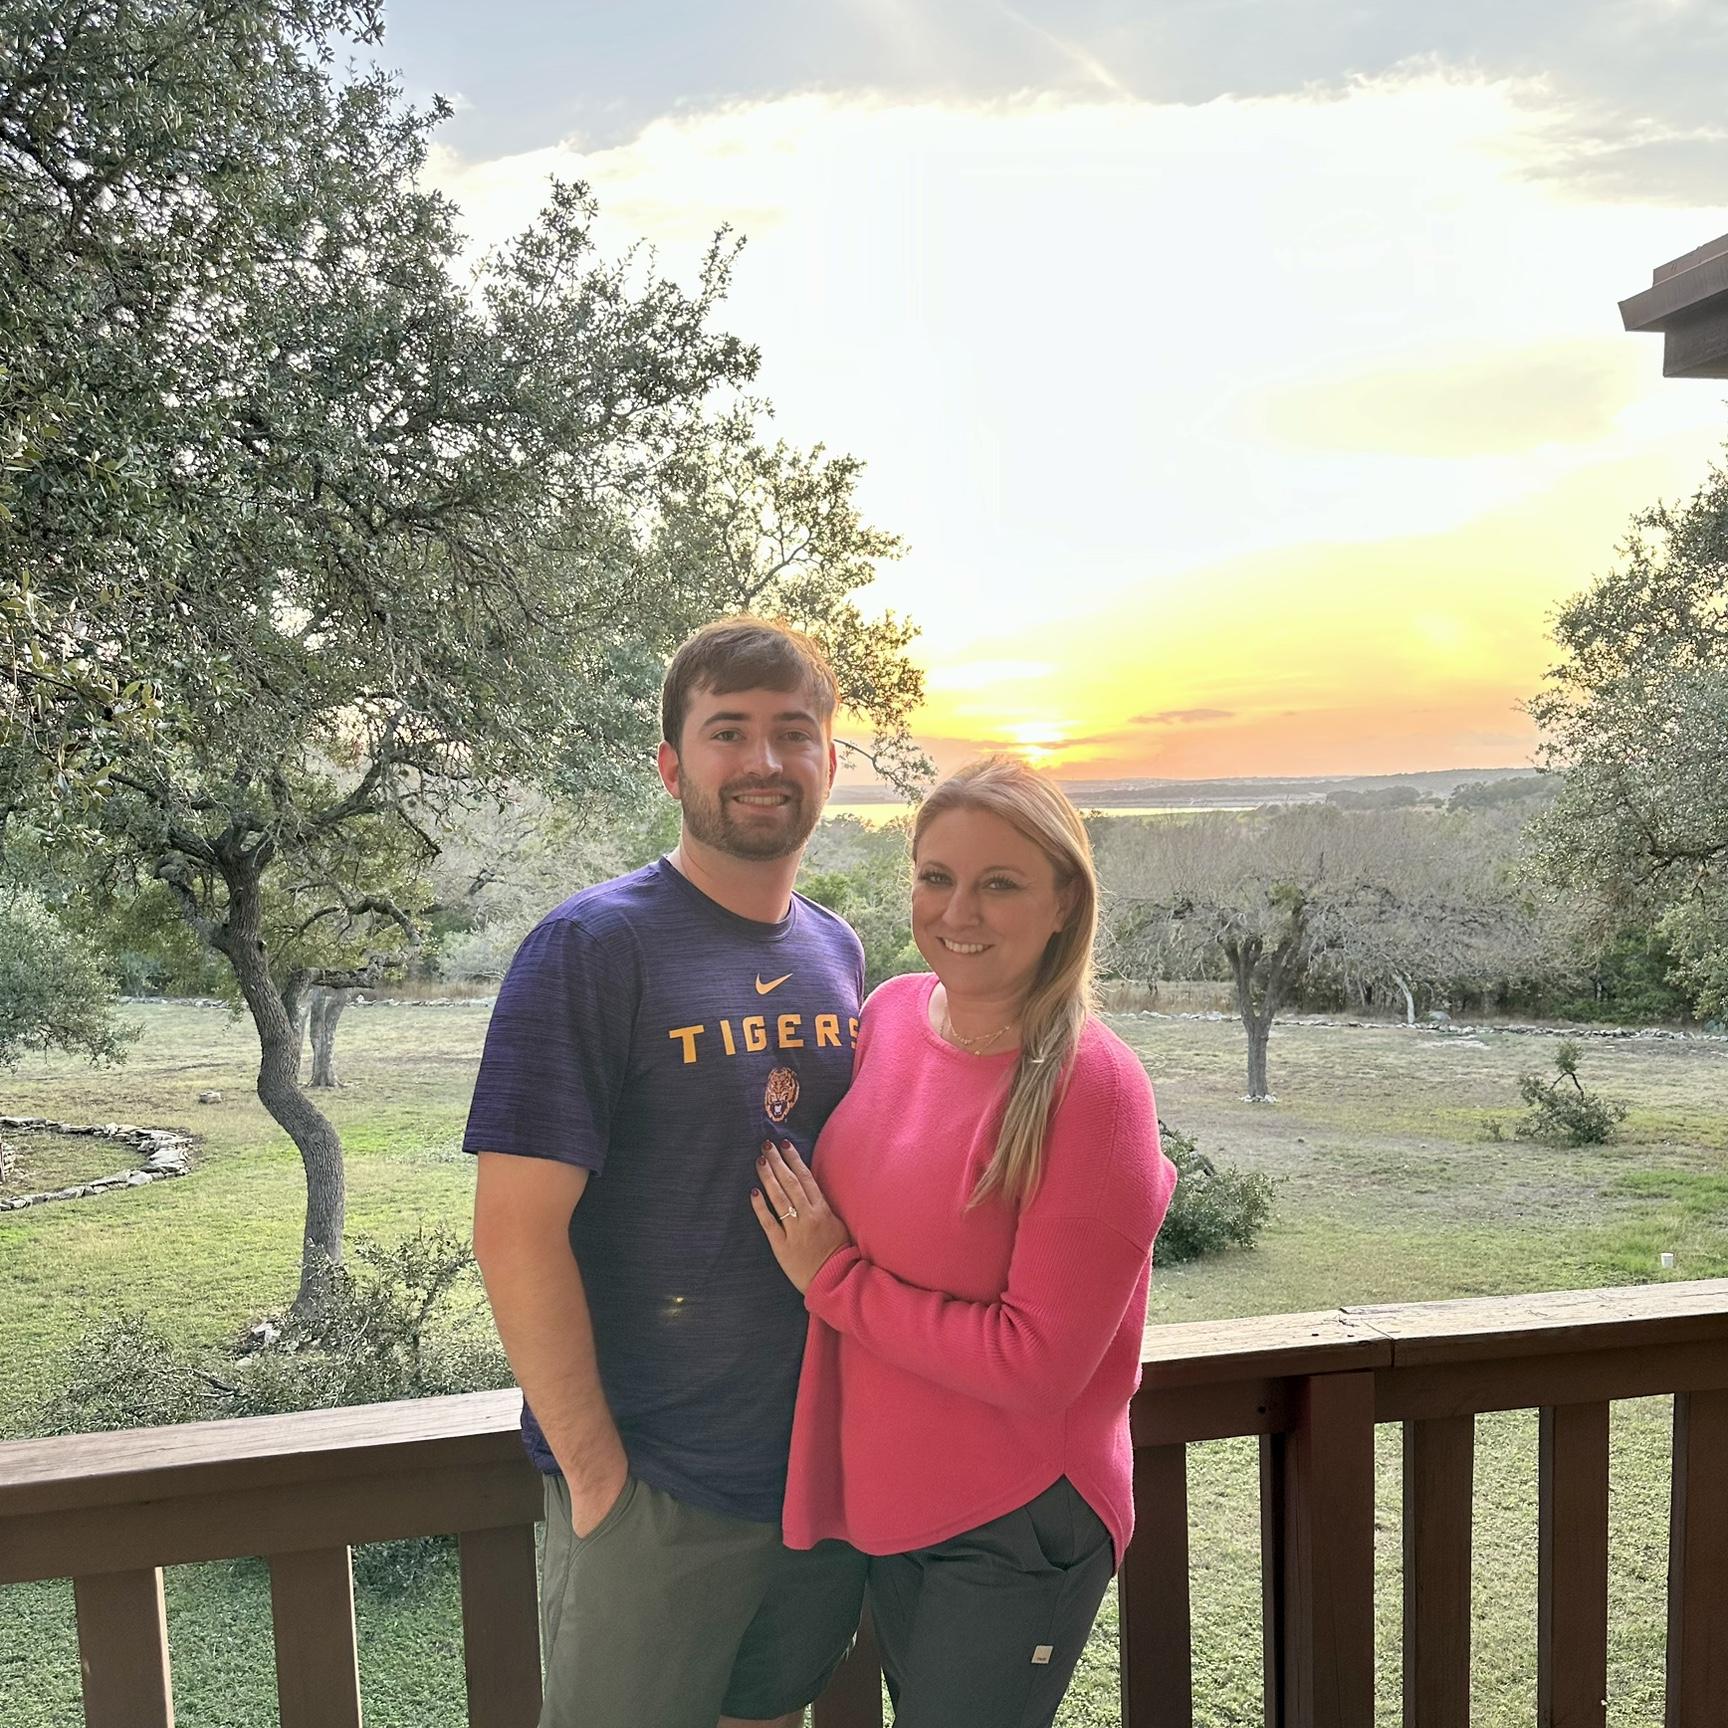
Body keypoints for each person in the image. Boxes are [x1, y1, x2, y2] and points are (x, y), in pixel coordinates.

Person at [466, 617, 869, 1728]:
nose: (763, 760)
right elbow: (514, 1231)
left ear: (830, 761)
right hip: (656, 1491)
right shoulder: (591, 948)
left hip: (813, 1480)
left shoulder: (836, 951)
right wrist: (600, 1481)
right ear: (670, 765)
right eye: (726, 731)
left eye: (794, 732)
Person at [751, 754, 1177, 1728]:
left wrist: (833, 1281)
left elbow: (1039, 1364)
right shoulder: (891, 1015)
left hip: (1014, 1518)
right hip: (893, 1498)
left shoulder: (1094, 1087)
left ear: (1064, 902)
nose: (958, 911)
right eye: (936, 877)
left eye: (1000, 884)